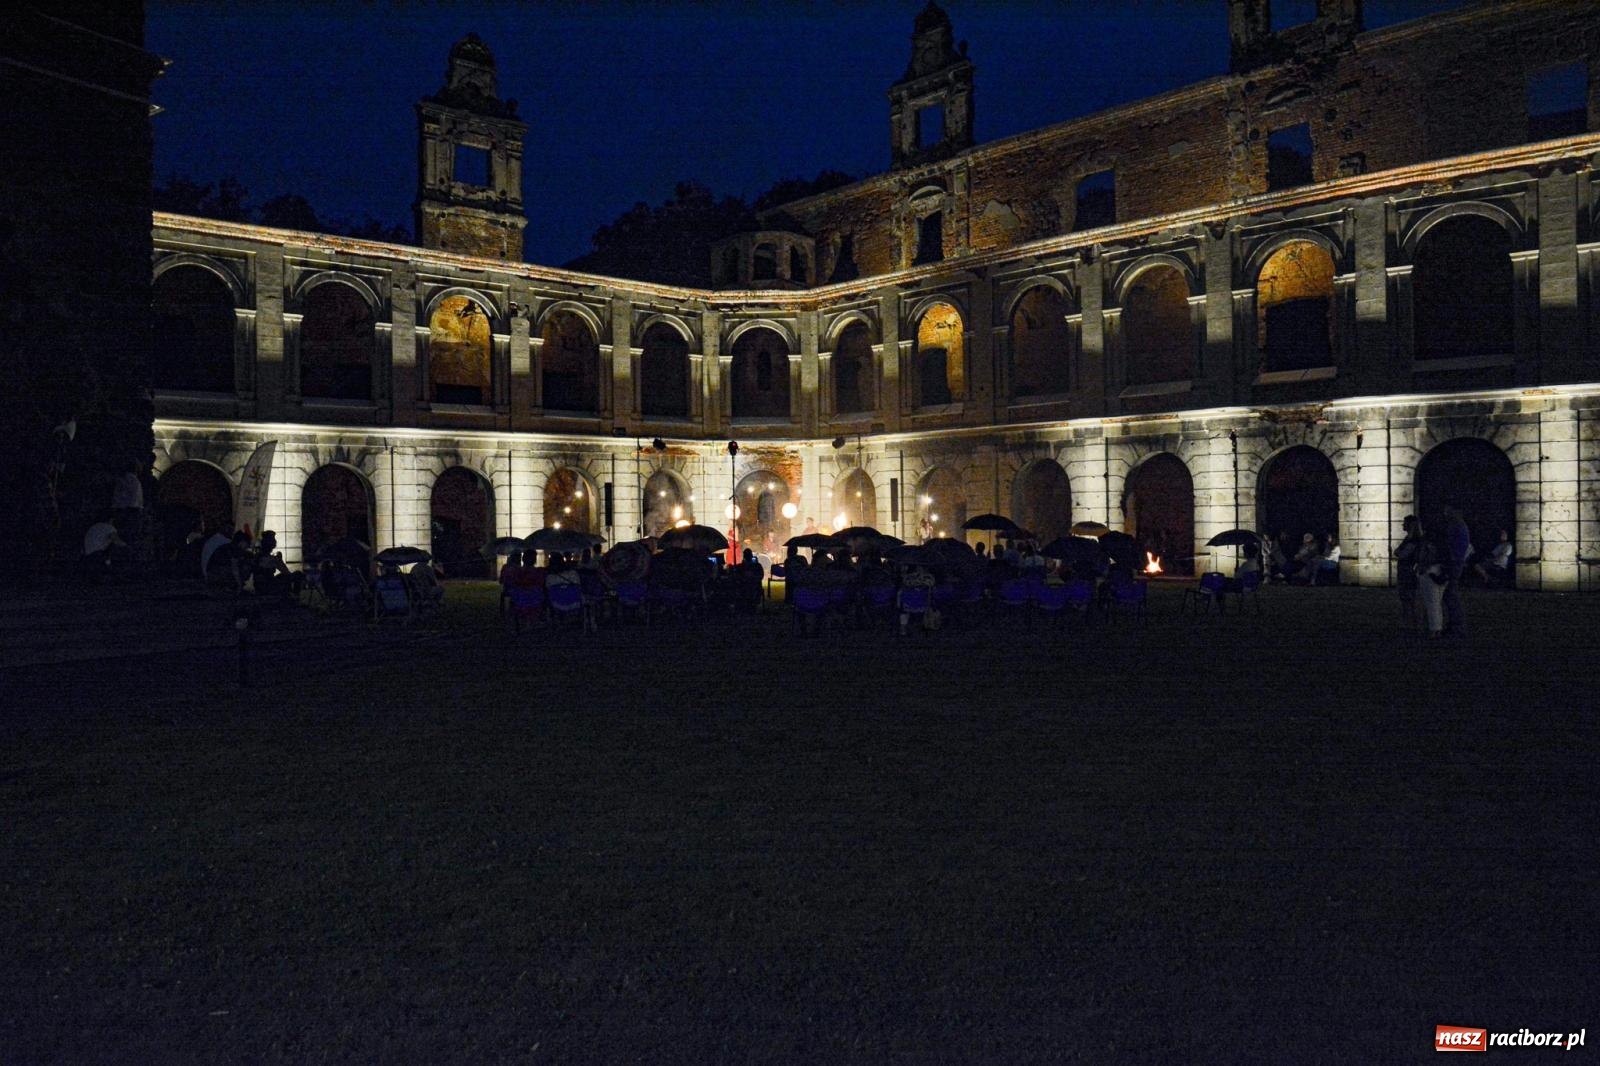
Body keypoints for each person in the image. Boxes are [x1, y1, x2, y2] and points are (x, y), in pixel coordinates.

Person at [1440, 505, 1472, 637]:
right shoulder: (1460, 526)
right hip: (1456, 563)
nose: (1445, 513)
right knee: (1450, 594)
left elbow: (1452, 547)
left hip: (1454, 563)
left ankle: (1457, 626)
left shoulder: (1456, 526)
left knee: (1450, 595)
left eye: (1448, 511)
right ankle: (1455, 624)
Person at [1393, 515, 1422, 624]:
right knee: (1407, 597)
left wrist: (1399, 552)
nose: (1402, 525)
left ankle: (1411, 620)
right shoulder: (1411, 539)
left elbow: (1400, 553)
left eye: (1405, 523)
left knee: (1408, 597)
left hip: (1408, 570)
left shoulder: (1412, 540)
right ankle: (1411, 620)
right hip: (1407, 570)